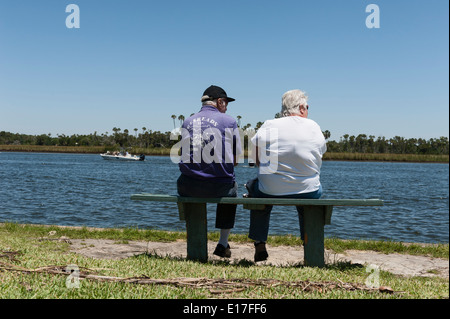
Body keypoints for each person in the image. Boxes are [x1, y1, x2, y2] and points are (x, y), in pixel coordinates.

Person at [247, 89, 327, 262]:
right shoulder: (314, 126)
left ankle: (260, 242)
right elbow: (319, 155)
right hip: (308, 189)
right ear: (301, 108)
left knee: (256, 189)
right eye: (307, 107)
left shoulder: (269, 124)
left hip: (270, 189)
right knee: (308, 196)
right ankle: (308, 241)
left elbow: (255, 158)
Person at [177, 85, 242, 258]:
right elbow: (234, 161)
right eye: (226, 102)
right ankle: (222, 242)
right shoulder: (229, 121)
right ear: (219, 102)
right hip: (220, 187)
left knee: (188, 182)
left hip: (188, 186)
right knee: (232, 188)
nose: (227, 107)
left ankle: (195, 237)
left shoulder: (187, 121)